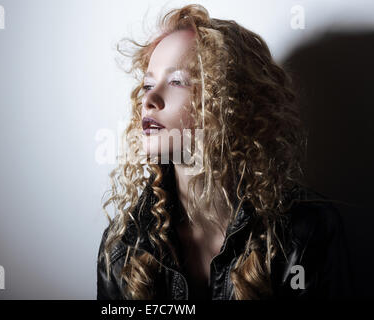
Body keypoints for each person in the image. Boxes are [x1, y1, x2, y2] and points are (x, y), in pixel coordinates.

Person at [97, 4, 352, 300]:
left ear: (231, 103)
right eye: (148, 83)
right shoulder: (123, 245)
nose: (150, 99)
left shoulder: (305, 232)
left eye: (177, 81)